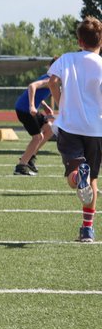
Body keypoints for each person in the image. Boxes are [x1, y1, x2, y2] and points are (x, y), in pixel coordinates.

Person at [46, 18, 102, 242]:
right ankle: (87, 229)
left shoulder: (67, 59)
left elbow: (52, 81)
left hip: (70, 126)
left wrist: (61, 102)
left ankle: (79, 176)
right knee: (94, 180)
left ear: (79, 40)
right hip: (96, 128)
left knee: (75, 175)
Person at [13, 73, 56, 175]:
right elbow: (32, 86)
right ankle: (21, 167)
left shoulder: (50, 77)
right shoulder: (50, 79)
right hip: (25, 110)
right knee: (38, 137)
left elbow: (38, 92)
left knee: (49, 129)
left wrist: (44, 105)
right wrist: (32, 106)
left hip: (29, 109)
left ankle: (30, 157)